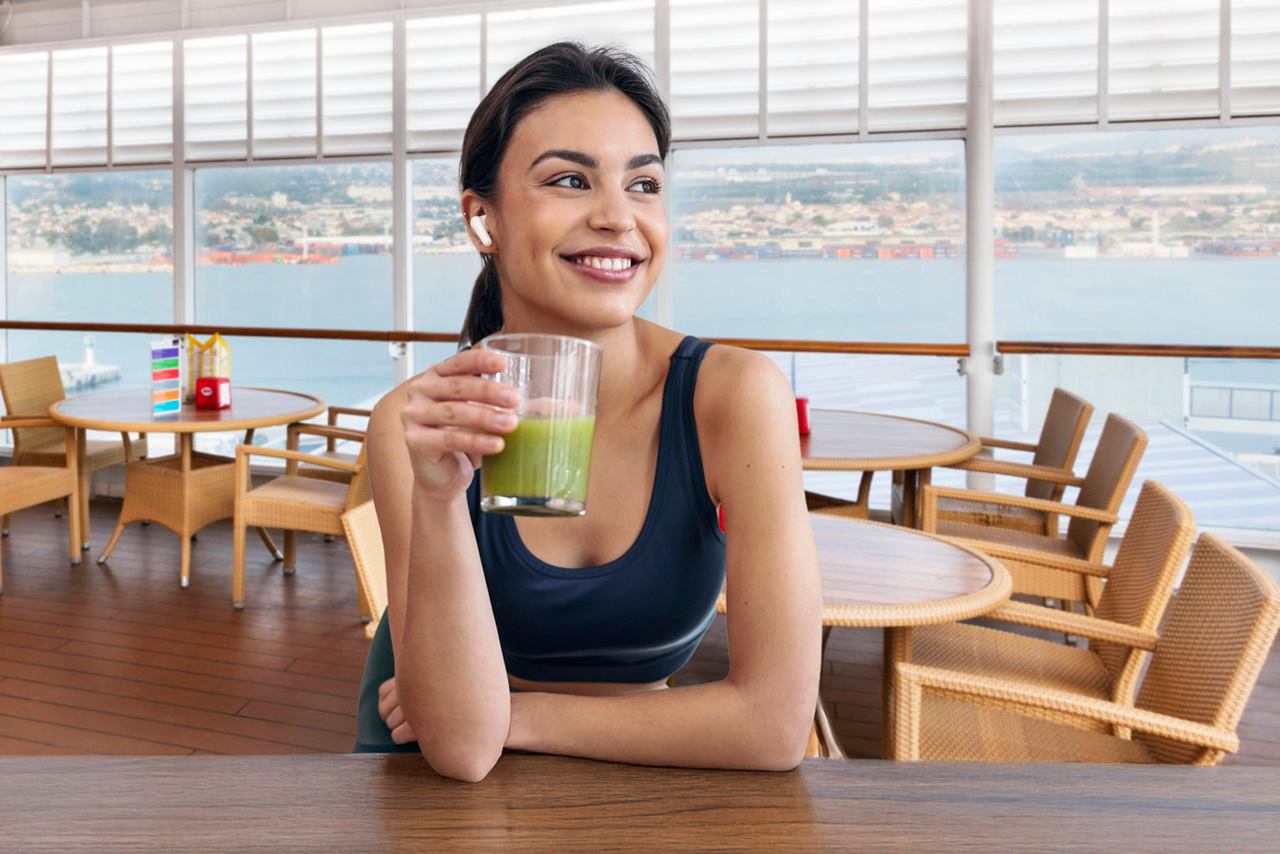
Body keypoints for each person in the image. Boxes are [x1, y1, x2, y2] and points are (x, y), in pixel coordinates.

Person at [354, 42, 821, 782]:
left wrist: (520, 712)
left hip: (643, 770)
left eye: (643, 184)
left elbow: (771, 727)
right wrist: (443, 499)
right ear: (484, 219)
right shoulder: (416, 423)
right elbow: (463, 750)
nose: (616, 216)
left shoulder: (732, 394)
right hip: (447, 795)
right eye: (571, 180)